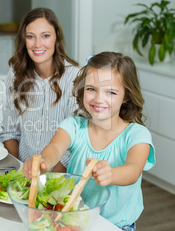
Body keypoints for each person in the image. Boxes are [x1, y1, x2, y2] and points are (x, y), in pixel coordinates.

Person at [22, 52, 156, 230]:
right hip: (73, 220)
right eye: (91, 89)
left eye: (110, 92)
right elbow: (55, 147)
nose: (98, 98)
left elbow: (133, 170)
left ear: (126, 96)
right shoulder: (74, 126)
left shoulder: (137, 135)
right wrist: (43, 161)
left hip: (116, 225)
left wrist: (111, 174)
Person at [0, 7, 79, 170]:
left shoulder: (75, 77)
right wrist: (18, 172)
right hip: (24, 173)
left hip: (61, 177)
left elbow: (75, 143)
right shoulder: (15, 74)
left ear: (56, 38)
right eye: (30, 37)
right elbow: (10, 131)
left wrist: (46, 181)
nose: (37, 44)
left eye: (46, 36)